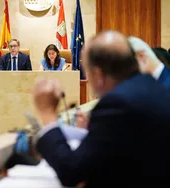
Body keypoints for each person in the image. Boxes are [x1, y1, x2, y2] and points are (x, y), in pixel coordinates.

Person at [34, 31, 170, 187]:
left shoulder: (117, 103)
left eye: (88, 73)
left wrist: (47, 113)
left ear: (98, 74)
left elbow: (72, 172)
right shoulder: (152, 86)